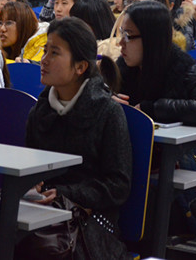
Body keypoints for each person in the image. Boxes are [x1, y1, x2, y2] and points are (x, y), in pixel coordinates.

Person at [116, 0, 196, 257]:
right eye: (121, 34)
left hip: (191, 192)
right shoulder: (123, 68)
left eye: (128, 36)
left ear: (151, 39)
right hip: (142, 171)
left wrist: (150, 108)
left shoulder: (182, 67)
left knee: (133, 204)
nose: (120, 44)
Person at [22, 17, 132, 260]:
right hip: (44, 212)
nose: (44, 60)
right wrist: (33, 187)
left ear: (80, 67)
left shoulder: (107, 112)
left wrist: (64, 193)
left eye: (54, 53)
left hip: (90, 222)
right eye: (45, 51)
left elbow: (118, 185)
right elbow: (30, 167)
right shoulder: (40, 111)